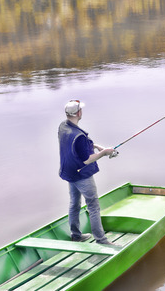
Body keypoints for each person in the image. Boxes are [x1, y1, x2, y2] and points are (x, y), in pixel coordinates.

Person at [58, 100, 117, 245]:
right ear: (78, 113)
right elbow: (87, 160)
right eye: (81, 110)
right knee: (93, 206)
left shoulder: (63, 126)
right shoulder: (79, 136)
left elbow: (78, 147)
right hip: (81, 175)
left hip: (69, 173)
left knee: (74, 204)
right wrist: (104, 152)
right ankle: (101, 240)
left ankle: (76, 235)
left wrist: (95, 146)